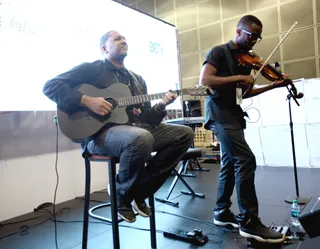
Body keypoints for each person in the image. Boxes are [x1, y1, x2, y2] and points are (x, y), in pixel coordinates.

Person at [43, 30, 194, 223]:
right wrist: (86, 100)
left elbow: (149, 119)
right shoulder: (92, 69)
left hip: (135, 133)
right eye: (117, 39)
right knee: (141, 137)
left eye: (125, 38)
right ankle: (121, 195)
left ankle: (140, 191)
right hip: (98, 135)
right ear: (104, 49)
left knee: (184, 134)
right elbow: (50, 86)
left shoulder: (137, 79)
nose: (123, 41)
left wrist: (162, 105)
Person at [199, 15, 290, 242]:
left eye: (258, 38)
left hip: (234, 114)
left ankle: (221, 212)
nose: (254, 42)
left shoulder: (244, 60)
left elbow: (245, 93)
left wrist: (272, 86)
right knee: (245, 159)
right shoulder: (218, 52)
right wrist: (240, 76)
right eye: (252, 36)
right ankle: (249, 222)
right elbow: (205, 80)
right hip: (220, 114)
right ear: (239, 31)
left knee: (230, 162)